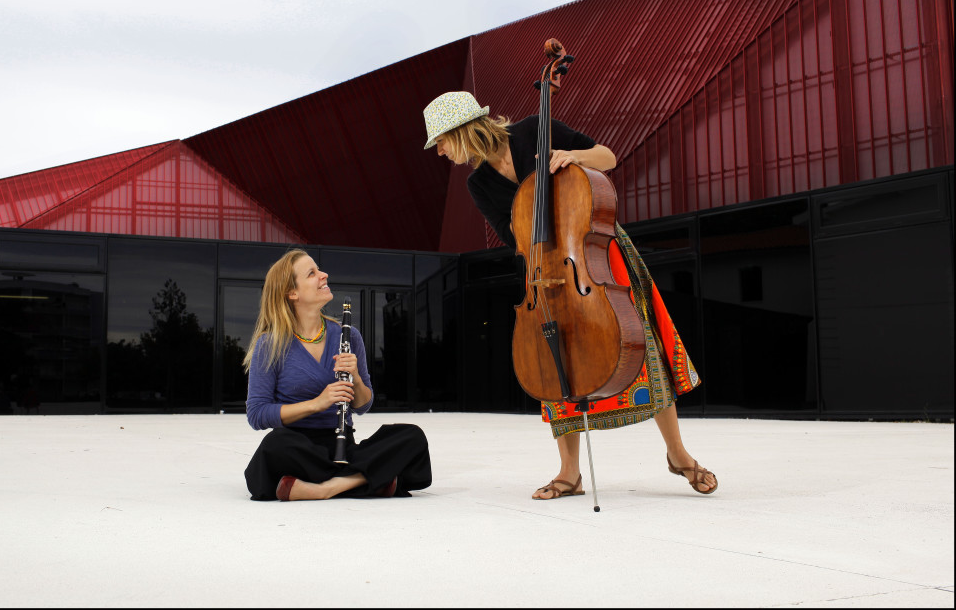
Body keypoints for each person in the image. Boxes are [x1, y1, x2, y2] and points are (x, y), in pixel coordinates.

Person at [422, 91, 717, 499]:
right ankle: (570, 473)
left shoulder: (533, 131)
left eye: (440, 140)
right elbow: (516, 239)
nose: (439, 151)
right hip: (547, 271)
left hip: (597, 255)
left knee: (643, 345)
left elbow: (607, 157)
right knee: (554, 357)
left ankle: (678, 454)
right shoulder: (479, 183)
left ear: (461, 130)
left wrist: (574, 158)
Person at [243, 249, 432, 501]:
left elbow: (363, 405)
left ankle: (324, 488)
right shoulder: (270, 344)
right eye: (312, 273)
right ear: (292, 293)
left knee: (412, 437)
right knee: (274, 446)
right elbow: (257, 414)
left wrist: (355, 377)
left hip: (344, 444)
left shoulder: (349, 335)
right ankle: (367, 480)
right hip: (299, 446)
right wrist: (316, 404)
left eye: (319, 270)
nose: (324, 275)